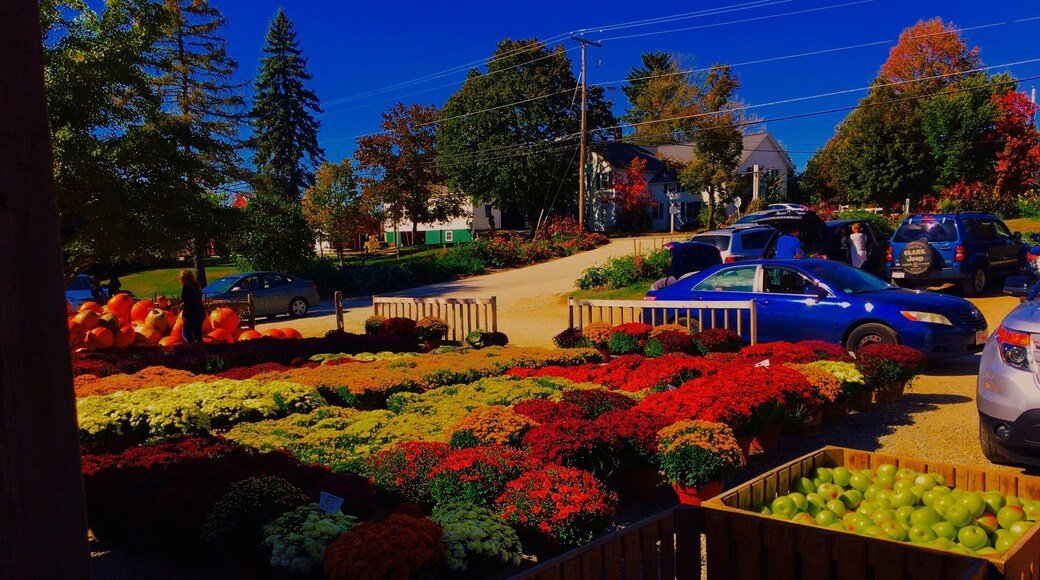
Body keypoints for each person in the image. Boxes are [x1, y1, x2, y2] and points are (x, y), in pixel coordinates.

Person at [179, 270, 205, 343]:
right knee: (198, 334)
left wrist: (184, 316)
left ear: (183, 278)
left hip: (192, 314)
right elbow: (194, 300)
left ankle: (193, 348)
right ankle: (202, 350)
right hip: (200, 312)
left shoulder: (186, 287)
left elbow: (188, 304)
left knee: (186, 333)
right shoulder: (196, 285)